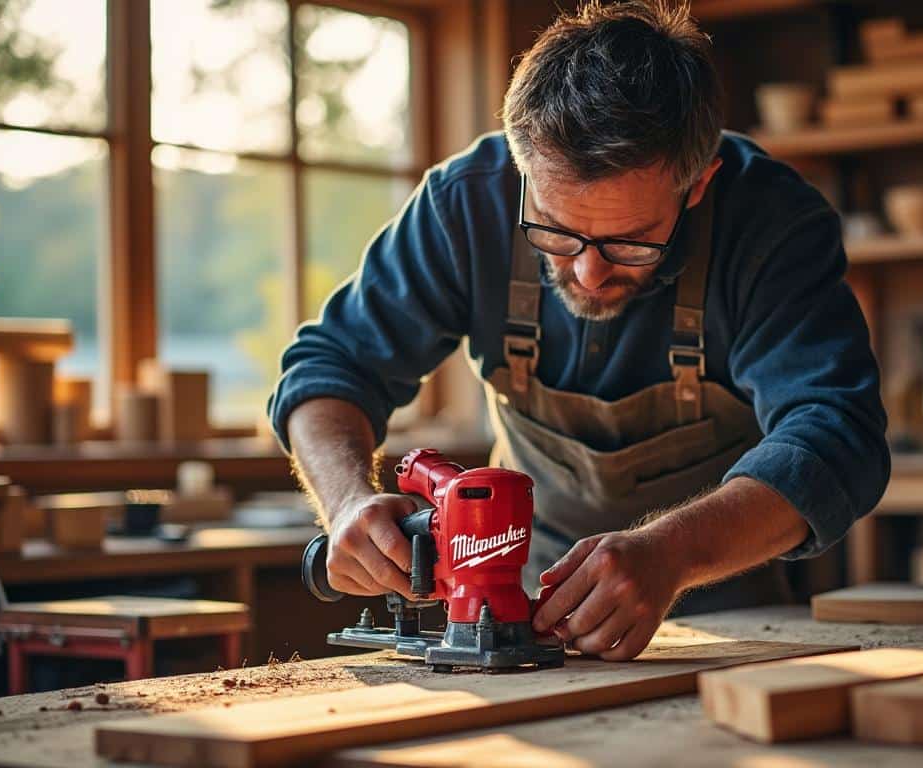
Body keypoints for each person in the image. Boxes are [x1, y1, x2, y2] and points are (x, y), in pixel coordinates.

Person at [269, 0, 889, 662]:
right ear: (521, 164)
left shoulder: (772, 223)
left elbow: (835, 433)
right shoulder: (465, 204)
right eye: (556, 232)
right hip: (516, 616)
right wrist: (346, 504)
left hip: (721, 608)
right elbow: (329, 367)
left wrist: (671, 554)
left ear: (698, 184)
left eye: (632, 242)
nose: (589, 273)